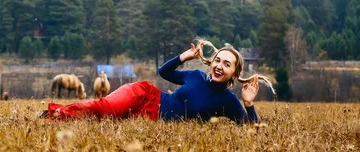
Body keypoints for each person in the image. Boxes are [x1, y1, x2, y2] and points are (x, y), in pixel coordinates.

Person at [41, 39, 275, 124]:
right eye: (217, 60)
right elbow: (163, 72)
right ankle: (55, 113)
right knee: (105, 108)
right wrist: (184, 57)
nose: (219, 66)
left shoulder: (228, 100)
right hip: (145, 95)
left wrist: (249, 104)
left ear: (234, 74)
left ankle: (62, 114)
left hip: (149, 117)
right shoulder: (195, 76)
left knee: (107, 120)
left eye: (226, 64)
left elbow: (249, 129)